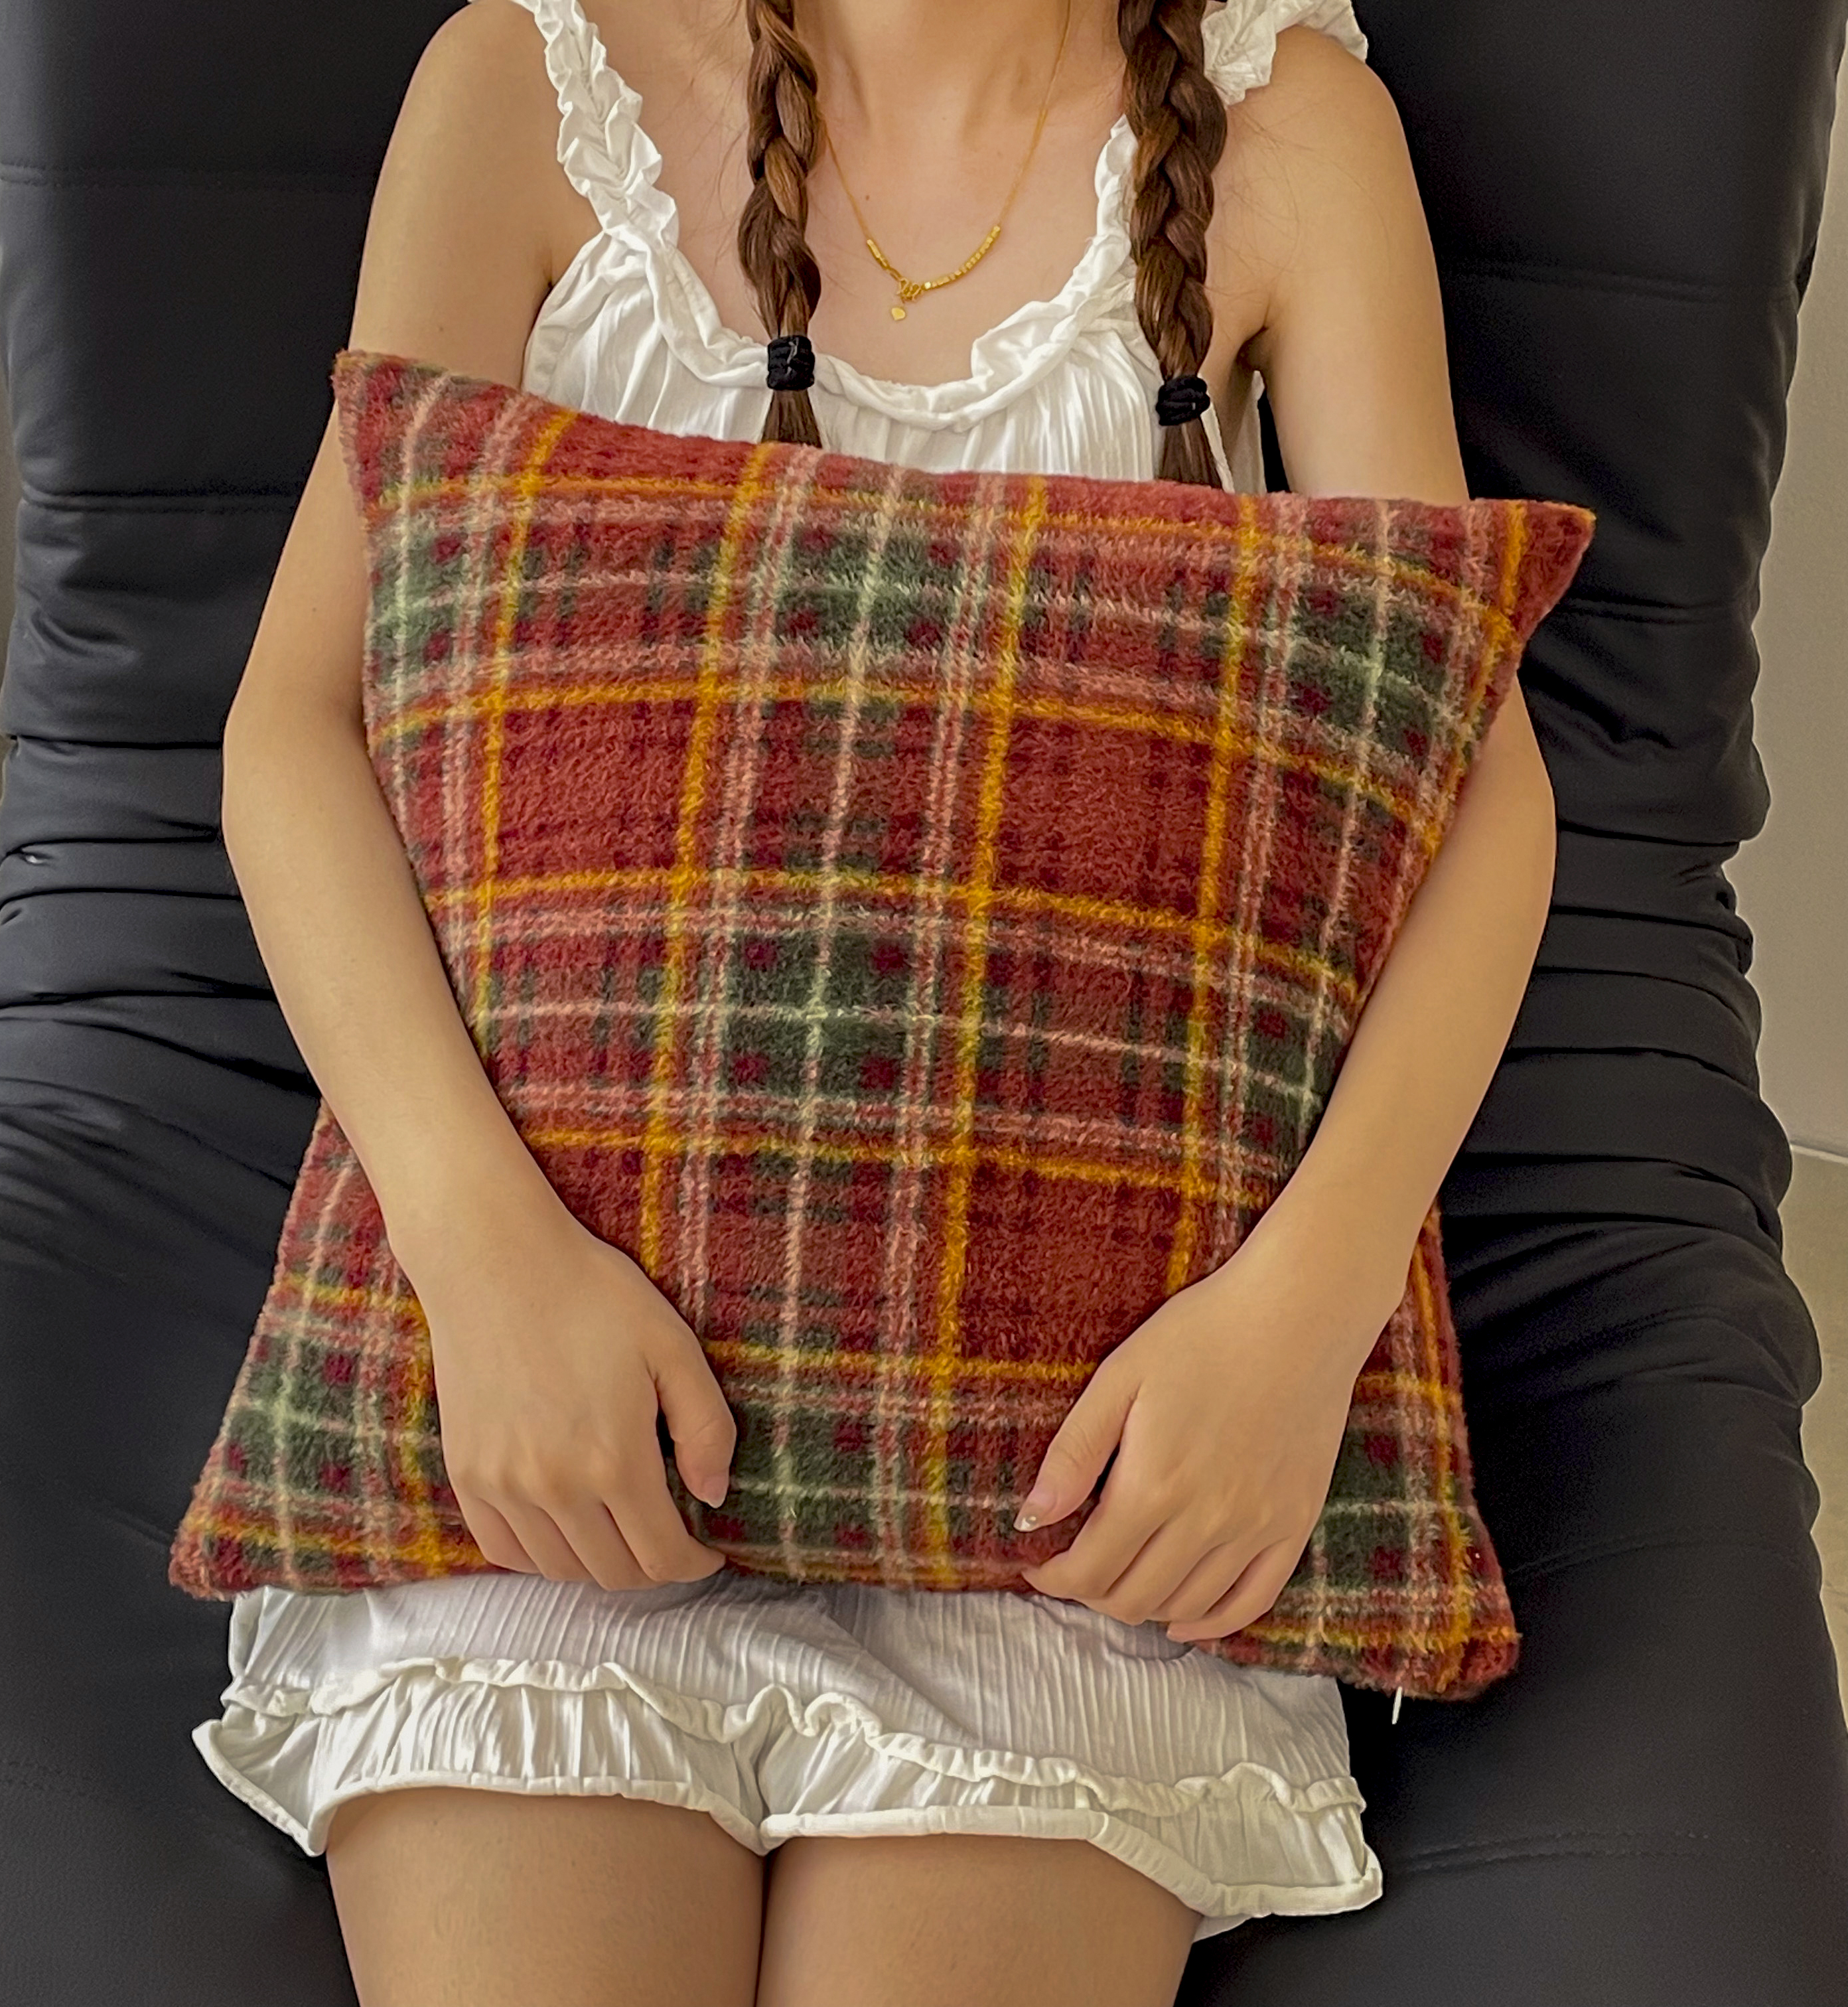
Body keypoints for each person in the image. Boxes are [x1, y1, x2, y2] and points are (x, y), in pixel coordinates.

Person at [190, 1, 1561, 2000]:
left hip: (1077, 1505)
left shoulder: (1294, 137)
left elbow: (1479, 799)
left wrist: (1303, 1317)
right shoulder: (524, 85)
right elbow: (294, 731)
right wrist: (483, 1261)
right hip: (560, 1441)